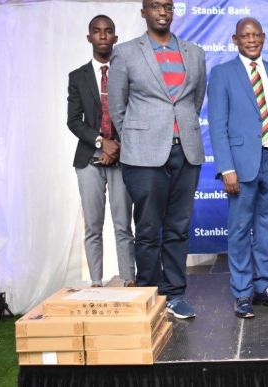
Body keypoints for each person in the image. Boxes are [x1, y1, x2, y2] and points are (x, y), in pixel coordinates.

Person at [108, 0, 207, 319]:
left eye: (167, 6)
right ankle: (149, 294)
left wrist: (178, 130)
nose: (162, 11)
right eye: (155, 6)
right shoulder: (125, 52)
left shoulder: (194, 52)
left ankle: (175, 293)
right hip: (143, 155)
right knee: (148, 228)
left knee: (178, 227)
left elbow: (196, 99)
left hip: (186, 150)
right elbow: (117, 107)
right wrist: (137, 139)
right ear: (143, 13)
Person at [208, 17, 268, 319]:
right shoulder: (222, 74)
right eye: (245, 35)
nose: (251, 40)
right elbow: (217, 126)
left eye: (256, 35)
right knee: (239, 230)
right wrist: (226, 168)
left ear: (263, 38)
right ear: (235, 40)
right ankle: (243, 292)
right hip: (241, 166)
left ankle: (264, 287)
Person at [67, 15, 135, 288]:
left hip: (121, 157)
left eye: (108, 32)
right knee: (93, 226)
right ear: (89, 38)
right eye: (97, 32)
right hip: (89, 160)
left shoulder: (127, 72)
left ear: (115, 38)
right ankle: (95, 283)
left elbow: (132, 112)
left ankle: (129, 281)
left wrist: (115, 146)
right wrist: (100, 142)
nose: (103, 36)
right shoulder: (78, 76)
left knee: (123, 225)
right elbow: (73, 120)